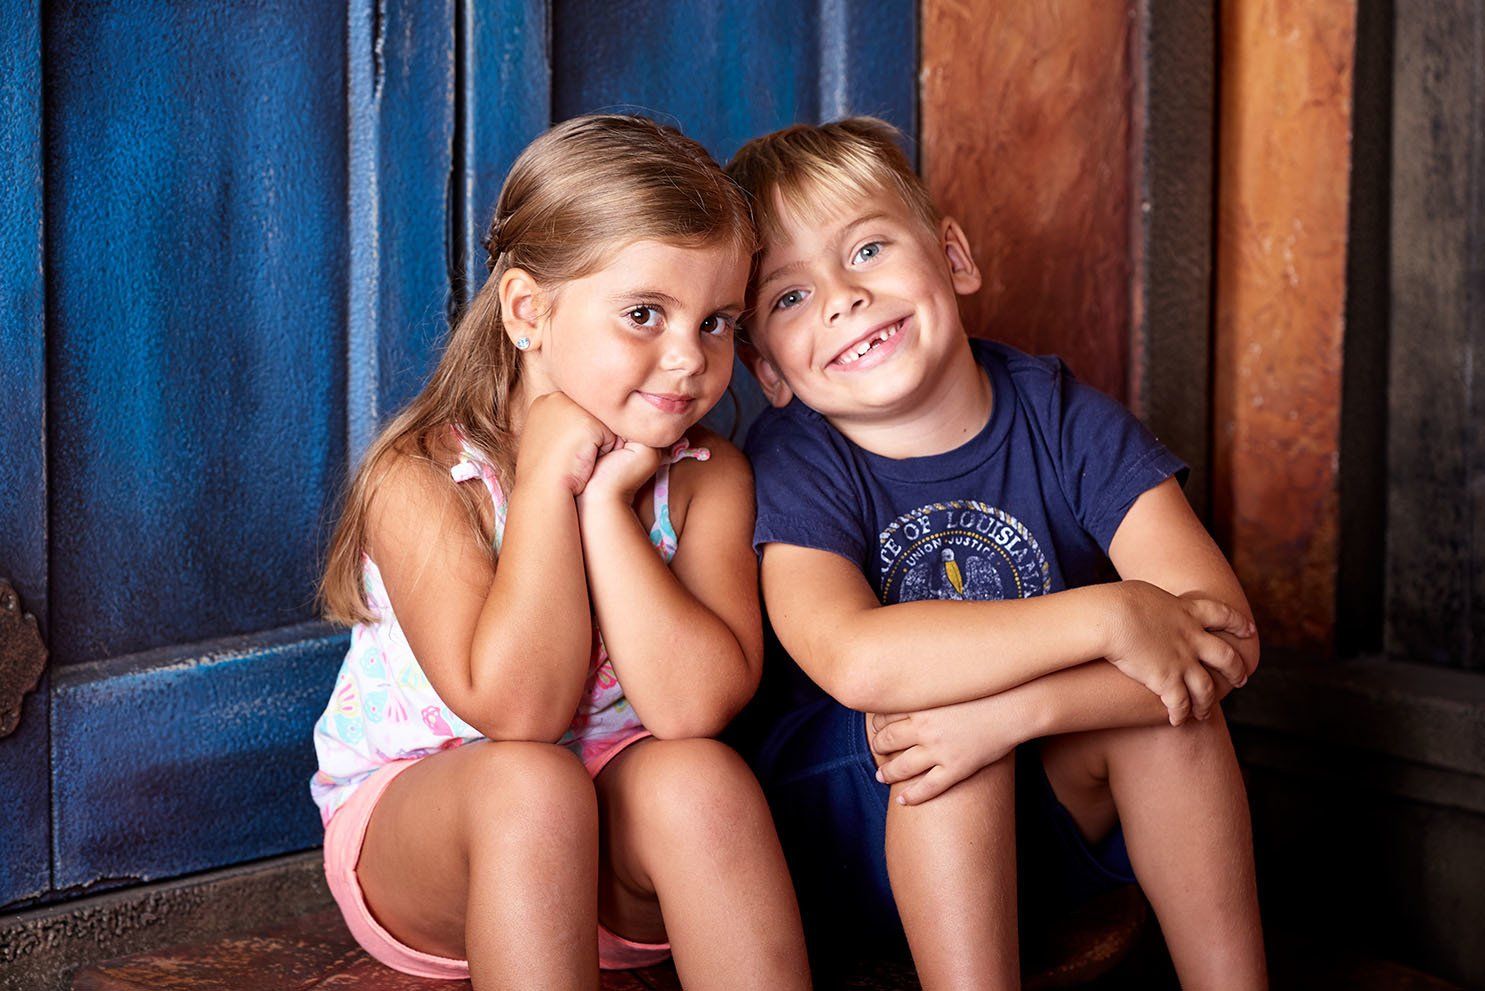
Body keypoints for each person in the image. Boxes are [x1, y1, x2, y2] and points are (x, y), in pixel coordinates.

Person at [727, 117, 1266, 989]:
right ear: (771, 373)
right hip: (846, 832)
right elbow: (857, 659)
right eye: (787, 297)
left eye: (867, 249)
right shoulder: (800, 459)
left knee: (1176, 716)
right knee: (941, 746)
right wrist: (1108, 612)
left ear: (953, 257)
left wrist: (1012, 717)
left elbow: (1224, 638)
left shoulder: (1060, 416)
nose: (840, 298)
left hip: (1036, 815)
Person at [310, 114, 809, 990]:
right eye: (645, 314)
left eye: (718, 321)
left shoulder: (705, 477)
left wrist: (610, 510)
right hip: (435, 833)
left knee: (704, 779)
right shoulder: (425, 479)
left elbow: (695, 706)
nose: (689, 358)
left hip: (618, 844)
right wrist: (543, 483)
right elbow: (520, 711)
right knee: (530, 785)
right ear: (528, 311)